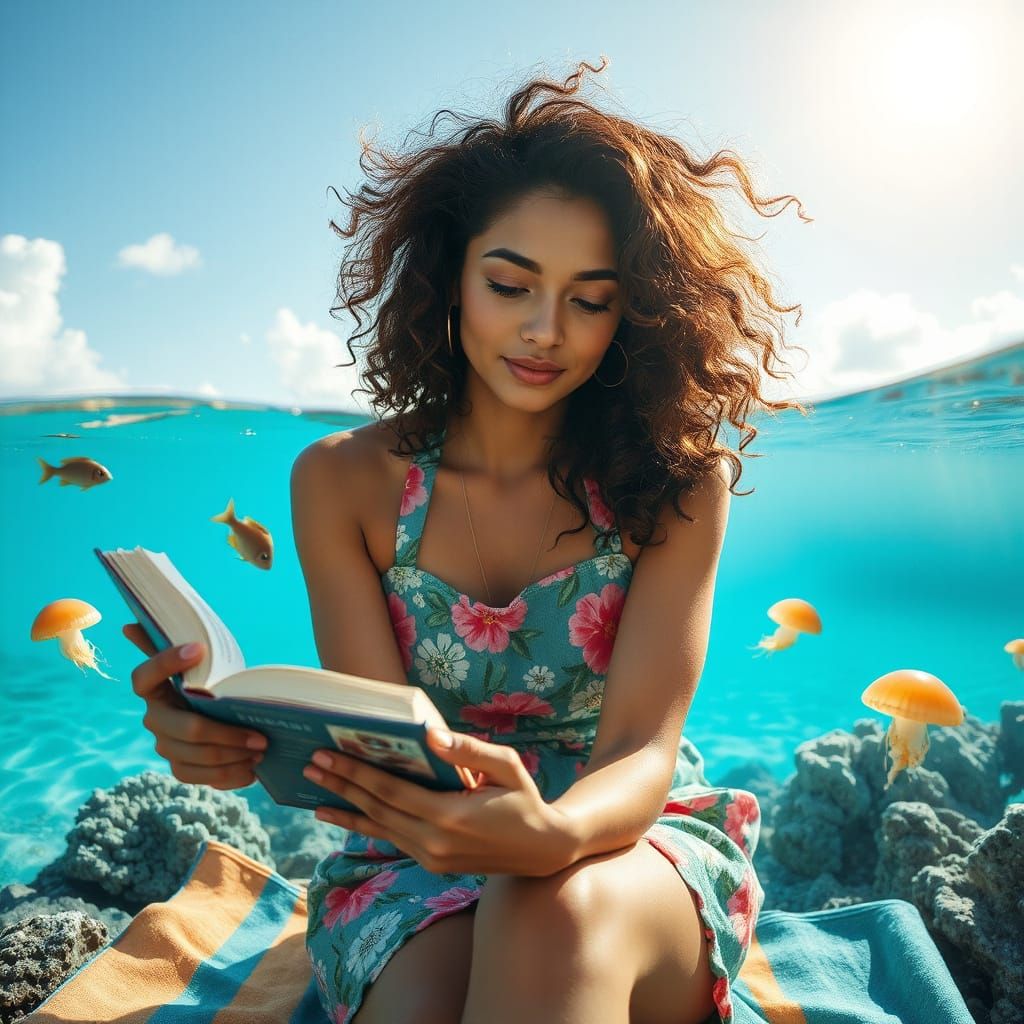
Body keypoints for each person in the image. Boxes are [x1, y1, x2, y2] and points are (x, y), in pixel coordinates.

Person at [124, 57, 809, 1024]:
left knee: (552, 915)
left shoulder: (679, 482)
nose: (544, 330)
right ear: (451, 278)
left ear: (636, 312)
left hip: (620, 834)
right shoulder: (343, 481)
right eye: (510, 283)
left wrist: (552, 835)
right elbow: (373, 764)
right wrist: (231, 742)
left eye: (591, 297)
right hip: (416, 845)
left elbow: (643, 751)